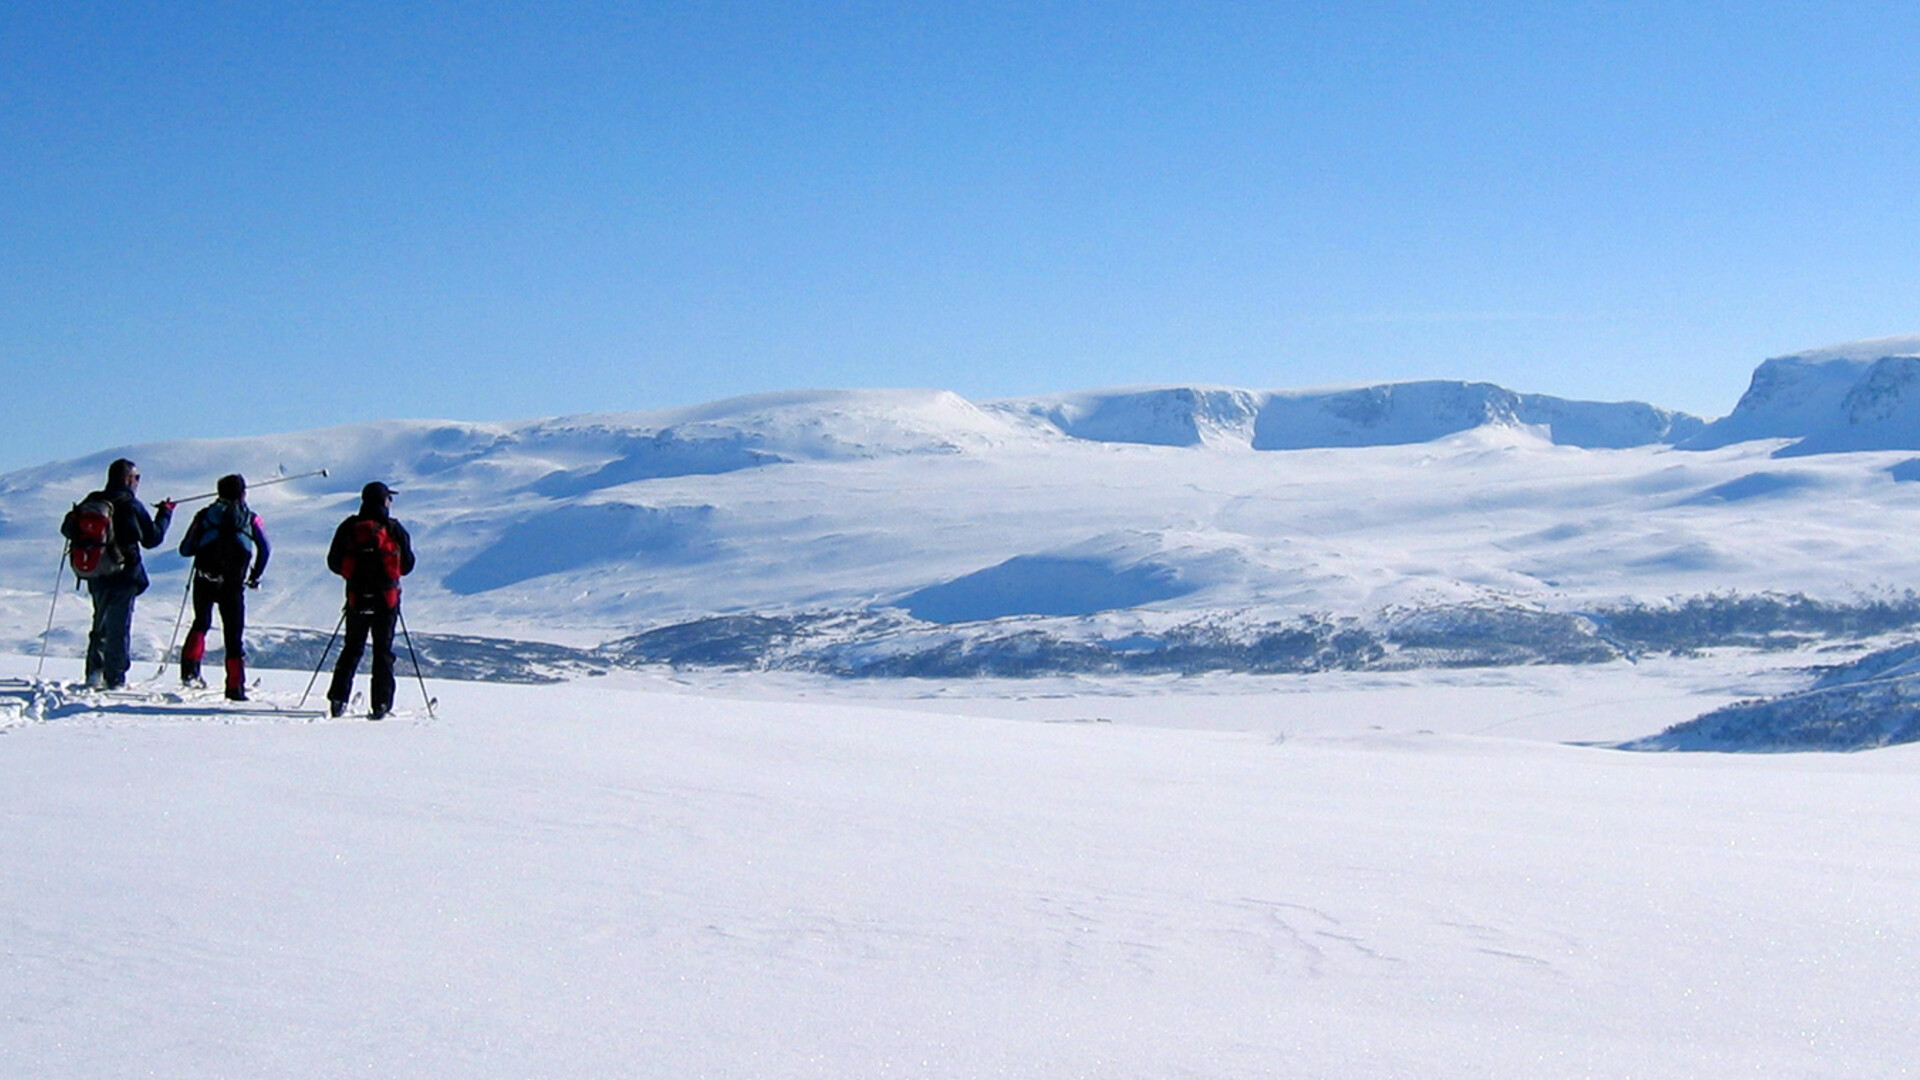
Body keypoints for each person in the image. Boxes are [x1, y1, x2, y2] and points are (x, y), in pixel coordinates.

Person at [63, 458, 175, 689]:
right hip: (125, 572)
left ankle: (94, 671)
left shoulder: (93, 501)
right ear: (127, 479)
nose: (138, 482)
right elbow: (152, 539)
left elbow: (68, 529)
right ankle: (115, 677)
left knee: (100, 622)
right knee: (119, 626)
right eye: (136, 477)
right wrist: (165, 514)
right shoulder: (131, 505)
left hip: (96, 570)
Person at [325, 481, 415, 719]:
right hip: (387, 599)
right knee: (382, 651)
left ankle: (338, 699)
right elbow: (407, 566)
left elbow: (334, 562)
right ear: (385, 501)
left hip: (357, 597)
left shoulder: (349, 527)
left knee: (352, 648)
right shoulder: (394, 529)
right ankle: (381, 704)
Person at [176, 474, 271, 700]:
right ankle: (235, 687)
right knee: (233, 635)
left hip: (205, 579)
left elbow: (185, 549)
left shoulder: (205, 515)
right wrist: (255, 576)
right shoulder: (250, 519)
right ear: (243, 493)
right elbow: (265, 550)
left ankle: (190, 672)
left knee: (201, 623)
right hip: (233, 584)